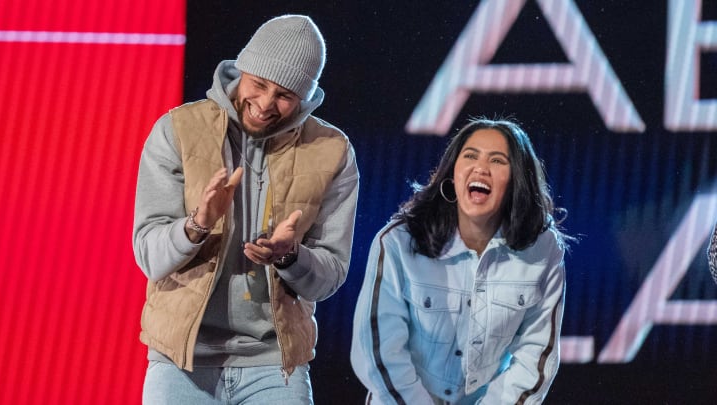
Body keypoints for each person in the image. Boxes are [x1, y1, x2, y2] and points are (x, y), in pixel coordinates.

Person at [132, 14, 359, 404]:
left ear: (305, 98)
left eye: (286, 95)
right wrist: (198, 224)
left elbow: (330, 276)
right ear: (241, 70)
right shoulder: (178, 130)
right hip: (181, 362)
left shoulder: (332, 150)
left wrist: (290, 256)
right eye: (259, 85)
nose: (266, 104)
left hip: (275, 366)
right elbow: (149, 256)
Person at [350, 118, 571, 404]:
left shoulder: (543, 248)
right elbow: (378, 352)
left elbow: (536, 357)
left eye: (497, 160)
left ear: (517, 179)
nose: (481, 168)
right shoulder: (399, 242)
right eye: (470, 156)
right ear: (452, 175)